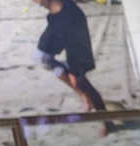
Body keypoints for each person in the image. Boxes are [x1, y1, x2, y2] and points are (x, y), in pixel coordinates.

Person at [31, 0, 114, 133]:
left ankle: (107, 122)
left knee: (79, 81)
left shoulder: (69, 14)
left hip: (72, 33)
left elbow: (76, 41)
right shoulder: (56, 13)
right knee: (42, 58)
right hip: (57, 23)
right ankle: (84, 96)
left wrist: (74, 70)